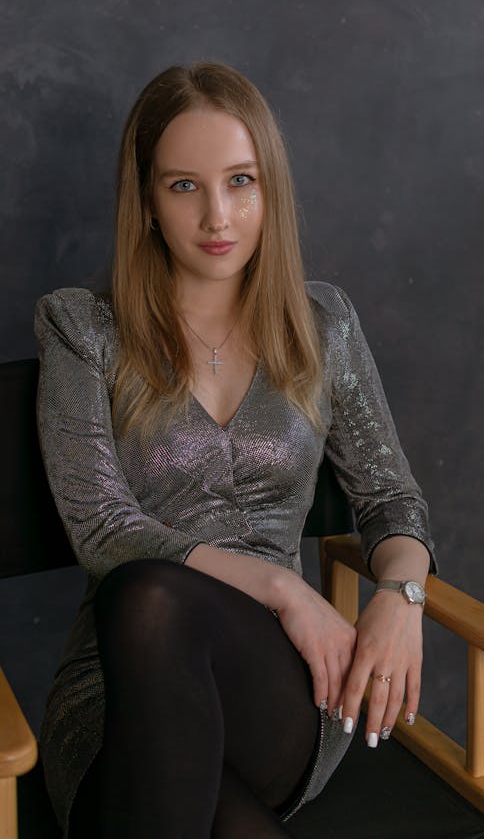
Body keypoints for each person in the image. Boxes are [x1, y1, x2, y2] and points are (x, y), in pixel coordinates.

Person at [35, 61, 436, 839]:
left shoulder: (324, 327)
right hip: (114, 700)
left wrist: (401, 597)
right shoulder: (82, 330)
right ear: (147, 201)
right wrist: (283, 588)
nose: (217, 215)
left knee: (150, 599)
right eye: (184, 186)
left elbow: (393, 502)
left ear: (269, 188)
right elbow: (105, 530)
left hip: (284, 688)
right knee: (144, 597)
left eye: (240, 181)